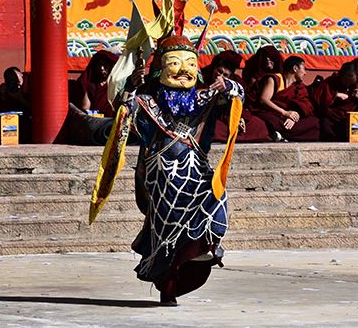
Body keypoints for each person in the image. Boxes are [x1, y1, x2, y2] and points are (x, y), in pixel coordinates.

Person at [91, 33, 244, 306]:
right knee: (168, 236)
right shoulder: (147, 102)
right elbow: (123, 113)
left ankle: (206, 244)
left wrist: (228, 85)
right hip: (162, 172)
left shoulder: (203, 98)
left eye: (190, 64)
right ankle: (169, 283)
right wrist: (131, 87)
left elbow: (236, 98)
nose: (184, 70)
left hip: (196, 167)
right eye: (175, 63)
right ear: (160, 68)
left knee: (217, 198)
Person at [203, 50, 270, 143]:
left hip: (231, 114)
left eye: (225, 75)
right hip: (214, 116)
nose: (220, 76)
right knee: (211, 127)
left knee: (260, 125)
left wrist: (239, 117)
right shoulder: (203, 78)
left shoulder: (236, 82)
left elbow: (240, 102)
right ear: (214, 68)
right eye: (219, 71)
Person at [249, 55, 319, 142]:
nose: (305, 73)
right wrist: (284, 113)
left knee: (314, 122)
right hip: (272, 112)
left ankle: (280, 134)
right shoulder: (274, 79)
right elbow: (264, 100)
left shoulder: (299, 87)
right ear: (295, 68)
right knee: (270, 120)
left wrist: (294, 117)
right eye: (304, 69)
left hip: (286, 117)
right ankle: (280, 134)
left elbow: (305, 105)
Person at [315, 60, 358, 141]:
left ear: (357, 77)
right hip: (334, 120)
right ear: (340, 76)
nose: (347, 85)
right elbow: (317, 101)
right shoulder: (330, 82)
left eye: (351, 82)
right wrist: (334, 96)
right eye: (345, 81)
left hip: (356, 120)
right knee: (323, 125)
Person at [67, 49, 120, 145]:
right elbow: (85, 107)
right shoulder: (89, 83)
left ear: (111, 66)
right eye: (99, 65)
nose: (102, 68)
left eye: (105, 65)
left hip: (114, 122)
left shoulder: (117, 83)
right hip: (97, 123)